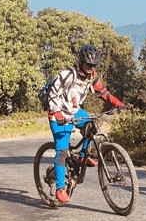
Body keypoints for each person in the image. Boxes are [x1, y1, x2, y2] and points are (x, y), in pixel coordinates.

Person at [43, 44, 126, 204]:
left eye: (94, 65)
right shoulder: (68, 74)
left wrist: (117, 103)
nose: (91, 68)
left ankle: (82, 158)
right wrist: (57, 112)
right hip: (58, 114)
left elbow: (102, 92)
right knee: (62, 152)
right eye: (88, 64)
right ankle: (60, 188)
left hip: (74, 111)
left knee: (92, 126)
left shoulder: (91, 76)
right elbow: (53, 93)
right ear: (81, 61)